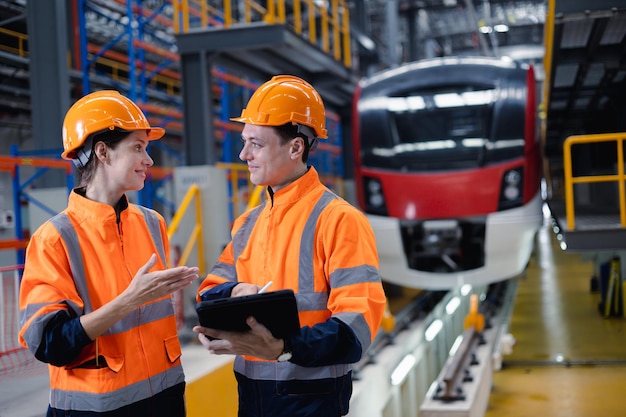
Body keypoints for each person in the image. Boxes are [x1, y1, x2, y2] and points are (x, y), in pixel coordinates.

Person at [193, 75, 387, 417]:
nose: (243, 154)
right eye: (244, 141)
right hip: (252, 401)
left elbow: (358, 327)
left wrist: (283, 349)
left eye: (256, 143)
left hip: (313, 402)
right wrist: (236, 292)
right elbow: (209, 292)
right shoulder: (247, 224)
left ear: (296, 147)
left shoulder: (340, 220)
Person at [18, 90, 200, 417]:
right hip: (96, 408)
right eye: (138, 148)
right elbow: (50, 343)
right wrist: (128, 300)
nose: (149, 160)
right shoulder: (54, 238)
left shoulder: (151, 223)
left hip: (164, 398)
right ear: (102, 151)